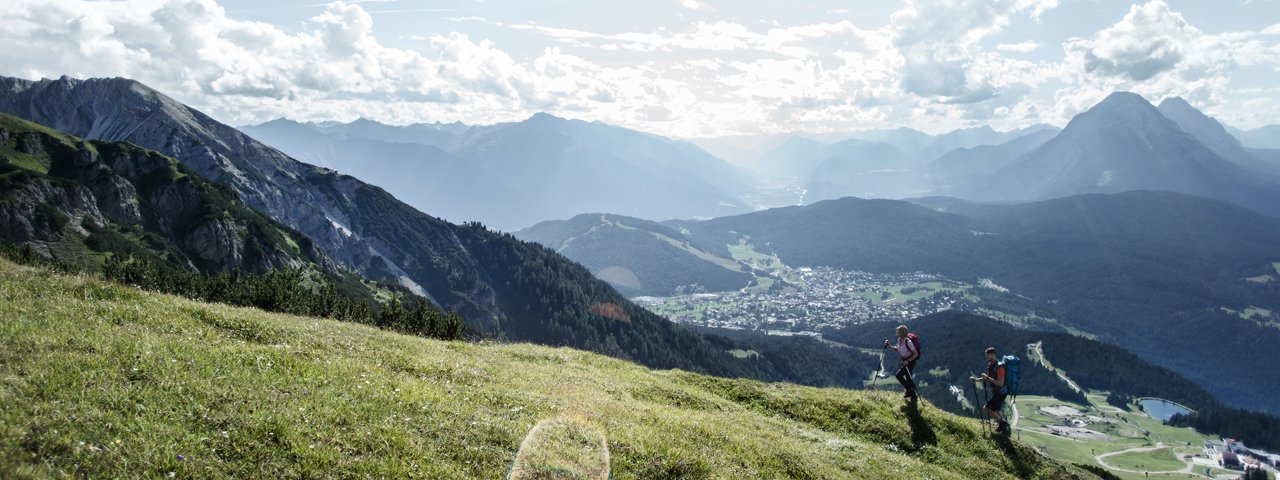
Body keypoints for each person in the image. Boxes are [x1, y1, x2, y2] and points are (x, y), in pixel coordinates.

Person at [970, 347, 1011, 435]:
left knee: (987, 408)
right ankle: (1004, 428)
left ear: (993, 354)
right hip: (997, 392)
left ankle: (1003, 424)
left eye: (987, 355)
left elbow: (1000, 383)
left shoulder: (1000, 367)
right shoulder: (992, 365)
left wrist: (987, 378)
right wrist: (976, 380)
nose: (986, 357)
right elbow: (987, 378)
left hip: (1001, 392)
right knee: (996, 409)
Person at [883, 325, 919, 400]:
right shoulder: (899, 340)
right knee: (908, 378)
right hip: (905, 361)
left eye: (898, 332)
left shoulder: (908, 342)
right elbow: (897, 349)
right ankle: (913, 395)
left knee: (898, 375)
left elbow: (916, 354)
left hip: (910, 361)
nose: (896, 333)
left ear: (901, 333)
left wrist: (908, 361)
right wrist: (889, 346)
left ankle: (910, 390)